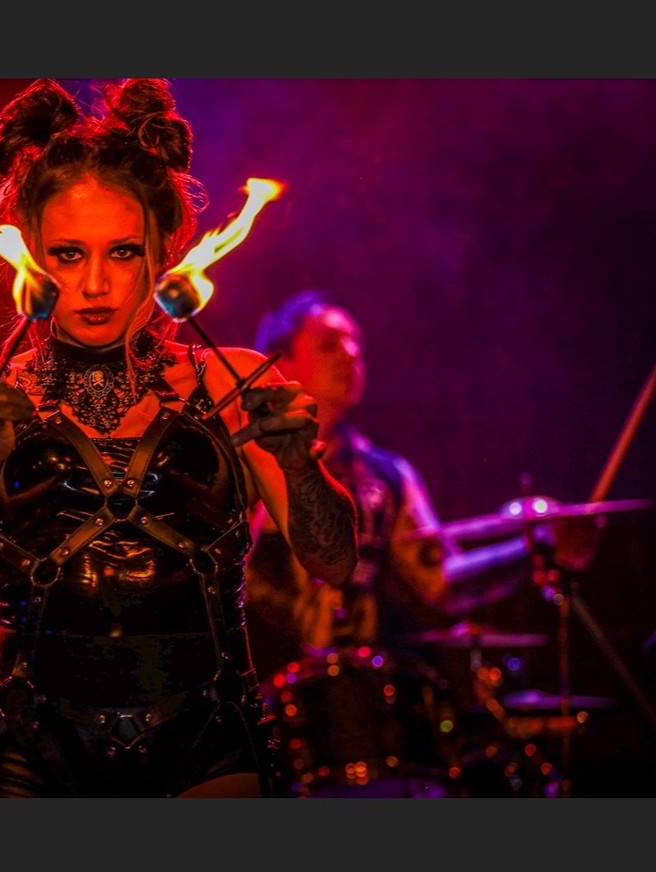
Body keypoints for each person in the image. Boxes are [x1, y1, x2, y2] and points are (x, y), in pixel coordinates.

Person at [0, 79, 359, 798]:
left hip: (208, 748)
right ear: (33, 254)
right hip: (31, 753)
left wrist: (301, 468)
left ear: (163, 249)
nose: (96, 284)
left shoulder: (233, 381)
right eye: (70, 255)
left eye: (123, 252)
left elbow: (336, 562)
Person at [243, 288, 604, 797]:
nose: (351, 354)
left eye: (356, 342)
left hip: (366, 711)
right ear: (280, 364)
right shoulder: (243, 462)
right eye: (329, 343)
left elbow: (440, 584)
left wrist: (535, 548)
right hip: (259, 715)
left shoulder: (386, 476)